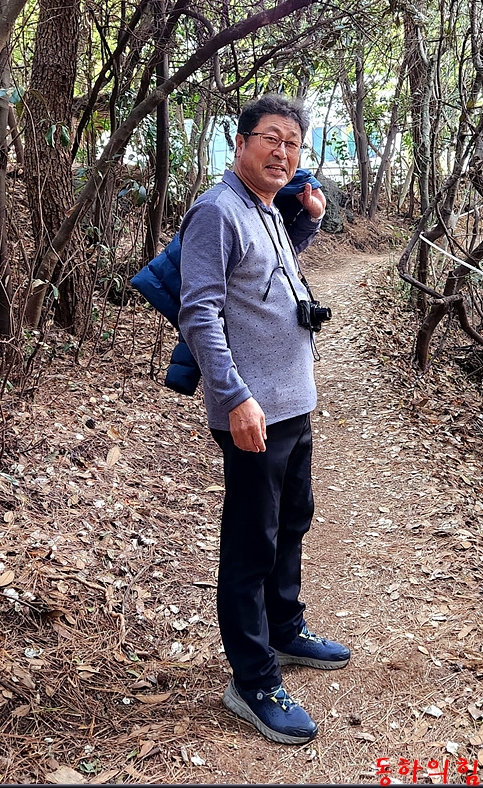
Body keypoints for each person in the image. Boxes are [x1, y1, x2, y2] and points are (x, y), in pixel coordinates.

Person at [178, 93, 351, 746]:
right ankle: (252, 678)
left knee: (292, 520)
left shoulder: (267, 207)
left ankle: (284, 628)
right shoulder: (217, 211)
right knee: (252, 544)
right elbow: (200, 311)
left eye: (293, 143)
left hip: (293, 400)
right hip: (253, 409)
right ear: (241, 142)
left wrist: (307, 225)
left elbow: (270, 276)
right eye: (271, 138)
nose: (283, 153)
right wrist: (233, 396)